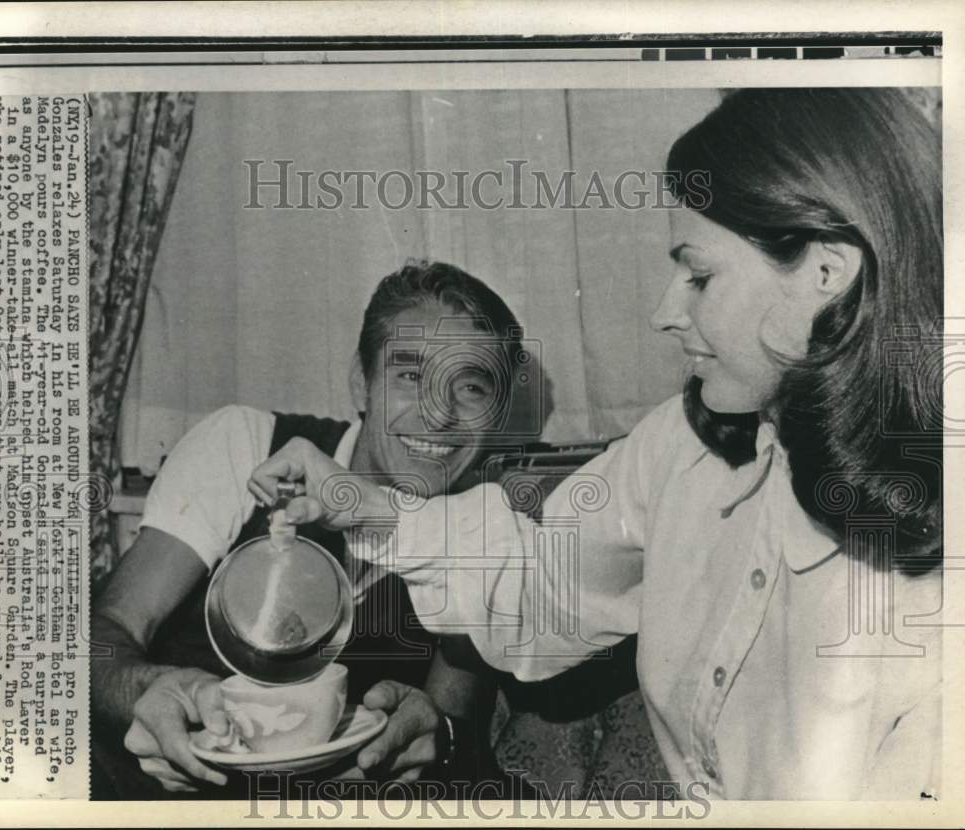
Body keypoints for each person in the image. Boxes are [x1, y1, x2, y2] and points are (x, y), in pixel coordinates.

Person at [249, 89, 944, 800]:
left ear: (828, 274)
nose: (664, 312)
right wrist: (357, 503)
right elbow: (537, 579)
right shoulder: (681, 448)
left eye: (699, 276)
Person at [90, 260, 530, 798]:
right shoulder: (247, 443)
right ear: (360, 383)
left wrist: (438, 738)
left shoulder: (479, 544)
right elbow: (107, 630)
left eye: (471, 387)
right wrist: (148, 687)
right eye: (412, 376)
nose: (439, 415)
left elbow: (454, 731)